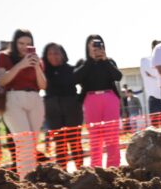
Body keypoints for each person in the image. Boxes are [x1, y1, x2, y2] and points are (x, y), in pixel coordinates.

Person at [0, 29, 47, 179]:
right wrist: (21, 65)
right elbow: (2, 80)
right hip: (13, 99)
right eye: (21, 43)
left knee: (32, 144)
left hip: (35, 99)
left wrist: (36, 66)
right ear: (14, 42)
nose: (25, 46)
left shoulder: (37, 60)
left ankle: (31, 179)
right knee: (24, 143)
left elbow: (43, 85)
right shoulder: (3, 56)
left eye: (29, 44)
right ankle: (26, 181)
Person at [74, 34, 123, 168]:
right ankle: (96, 168)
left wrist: (105, 60)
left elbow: (118, 76)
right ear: (87, 46)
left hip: (110, 98)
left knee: (111, 136)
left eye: (99, 44)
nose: (96, 47)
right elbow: (75, 78)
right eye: (93, 44)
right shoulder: (83, 63)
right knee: (95, 138)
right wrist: (90, 61)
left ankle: (114, 167)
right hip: (90, 100)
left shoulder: (109, 61)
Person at [42, 43, 83, 170]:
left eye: (56, 53)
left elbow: (84, 83)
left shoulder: (72, 70)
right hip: (52, 108)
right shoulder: (43, 71)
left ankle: (81, 170)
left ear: (63, 54)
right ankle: (63, 172)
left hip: (71, 106)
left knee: (75, 139)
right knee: (59, 142)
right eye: (50, 53)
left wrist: (79, 100)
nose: (53, 56)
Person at [140, 40, 161, 125]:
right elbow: (156, 72)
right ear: (153, 48)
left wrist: (155, 75)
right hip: (154, 98)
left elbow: (156, 73)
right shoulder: (145, 60)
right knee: (155, 128)